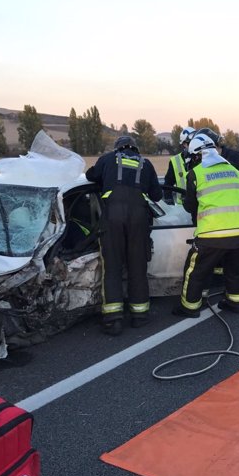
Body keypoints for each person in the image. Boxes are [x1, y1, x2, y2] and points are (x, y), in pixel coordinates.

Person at [85, 136, 163, 335]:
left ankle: (113, 320)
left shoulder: (107, 159)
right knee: (137, 265)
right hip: (139, 218)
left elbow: (90, 176)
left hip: (113, 217)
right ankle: (140, 316)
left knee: (112, 267)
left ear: (117, 148)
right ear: (135, 149)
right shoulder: (146, 164)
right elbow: (157, 196)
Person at [172, 133, 239, 317]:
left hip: (212, 235)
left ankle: (190, 307)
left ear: (196, 156)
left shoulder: (197, 173)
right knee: (235, 268)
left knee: (195, 269)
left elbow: (190, 206)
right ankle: (235, 302)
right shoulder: (234, 170)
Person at [192, 128, 239, 289]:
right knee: (223, 241)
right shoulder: (208, 161)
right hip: (224, 209)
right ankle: (220, 274)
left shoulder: (234, 157)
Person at [163, 126, 196, 205]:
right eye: (191, 142)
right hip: (182, 208)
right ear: (184, 144)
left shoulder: (202, 158)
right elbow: (168, 184)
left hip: (201, 206)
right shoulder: (175, 161)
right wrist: (169, 203)